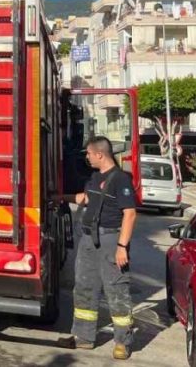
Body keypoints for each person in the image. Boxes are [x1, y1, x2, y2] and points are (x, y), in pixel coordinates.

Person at [57, 136, 137, 361]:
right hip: (89, 240)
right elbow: (85, 198)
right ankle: (83, 337)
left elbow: (130, 214)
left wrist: (122, 247)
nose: (87, 157)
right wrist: (59, 198)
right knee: (84, 287)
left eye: (89, 154)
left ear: (100, 154)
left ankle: (123, 342)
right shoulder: (94, 177)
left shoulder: (121, 179)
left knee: (116, 291)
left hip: (111, 241)